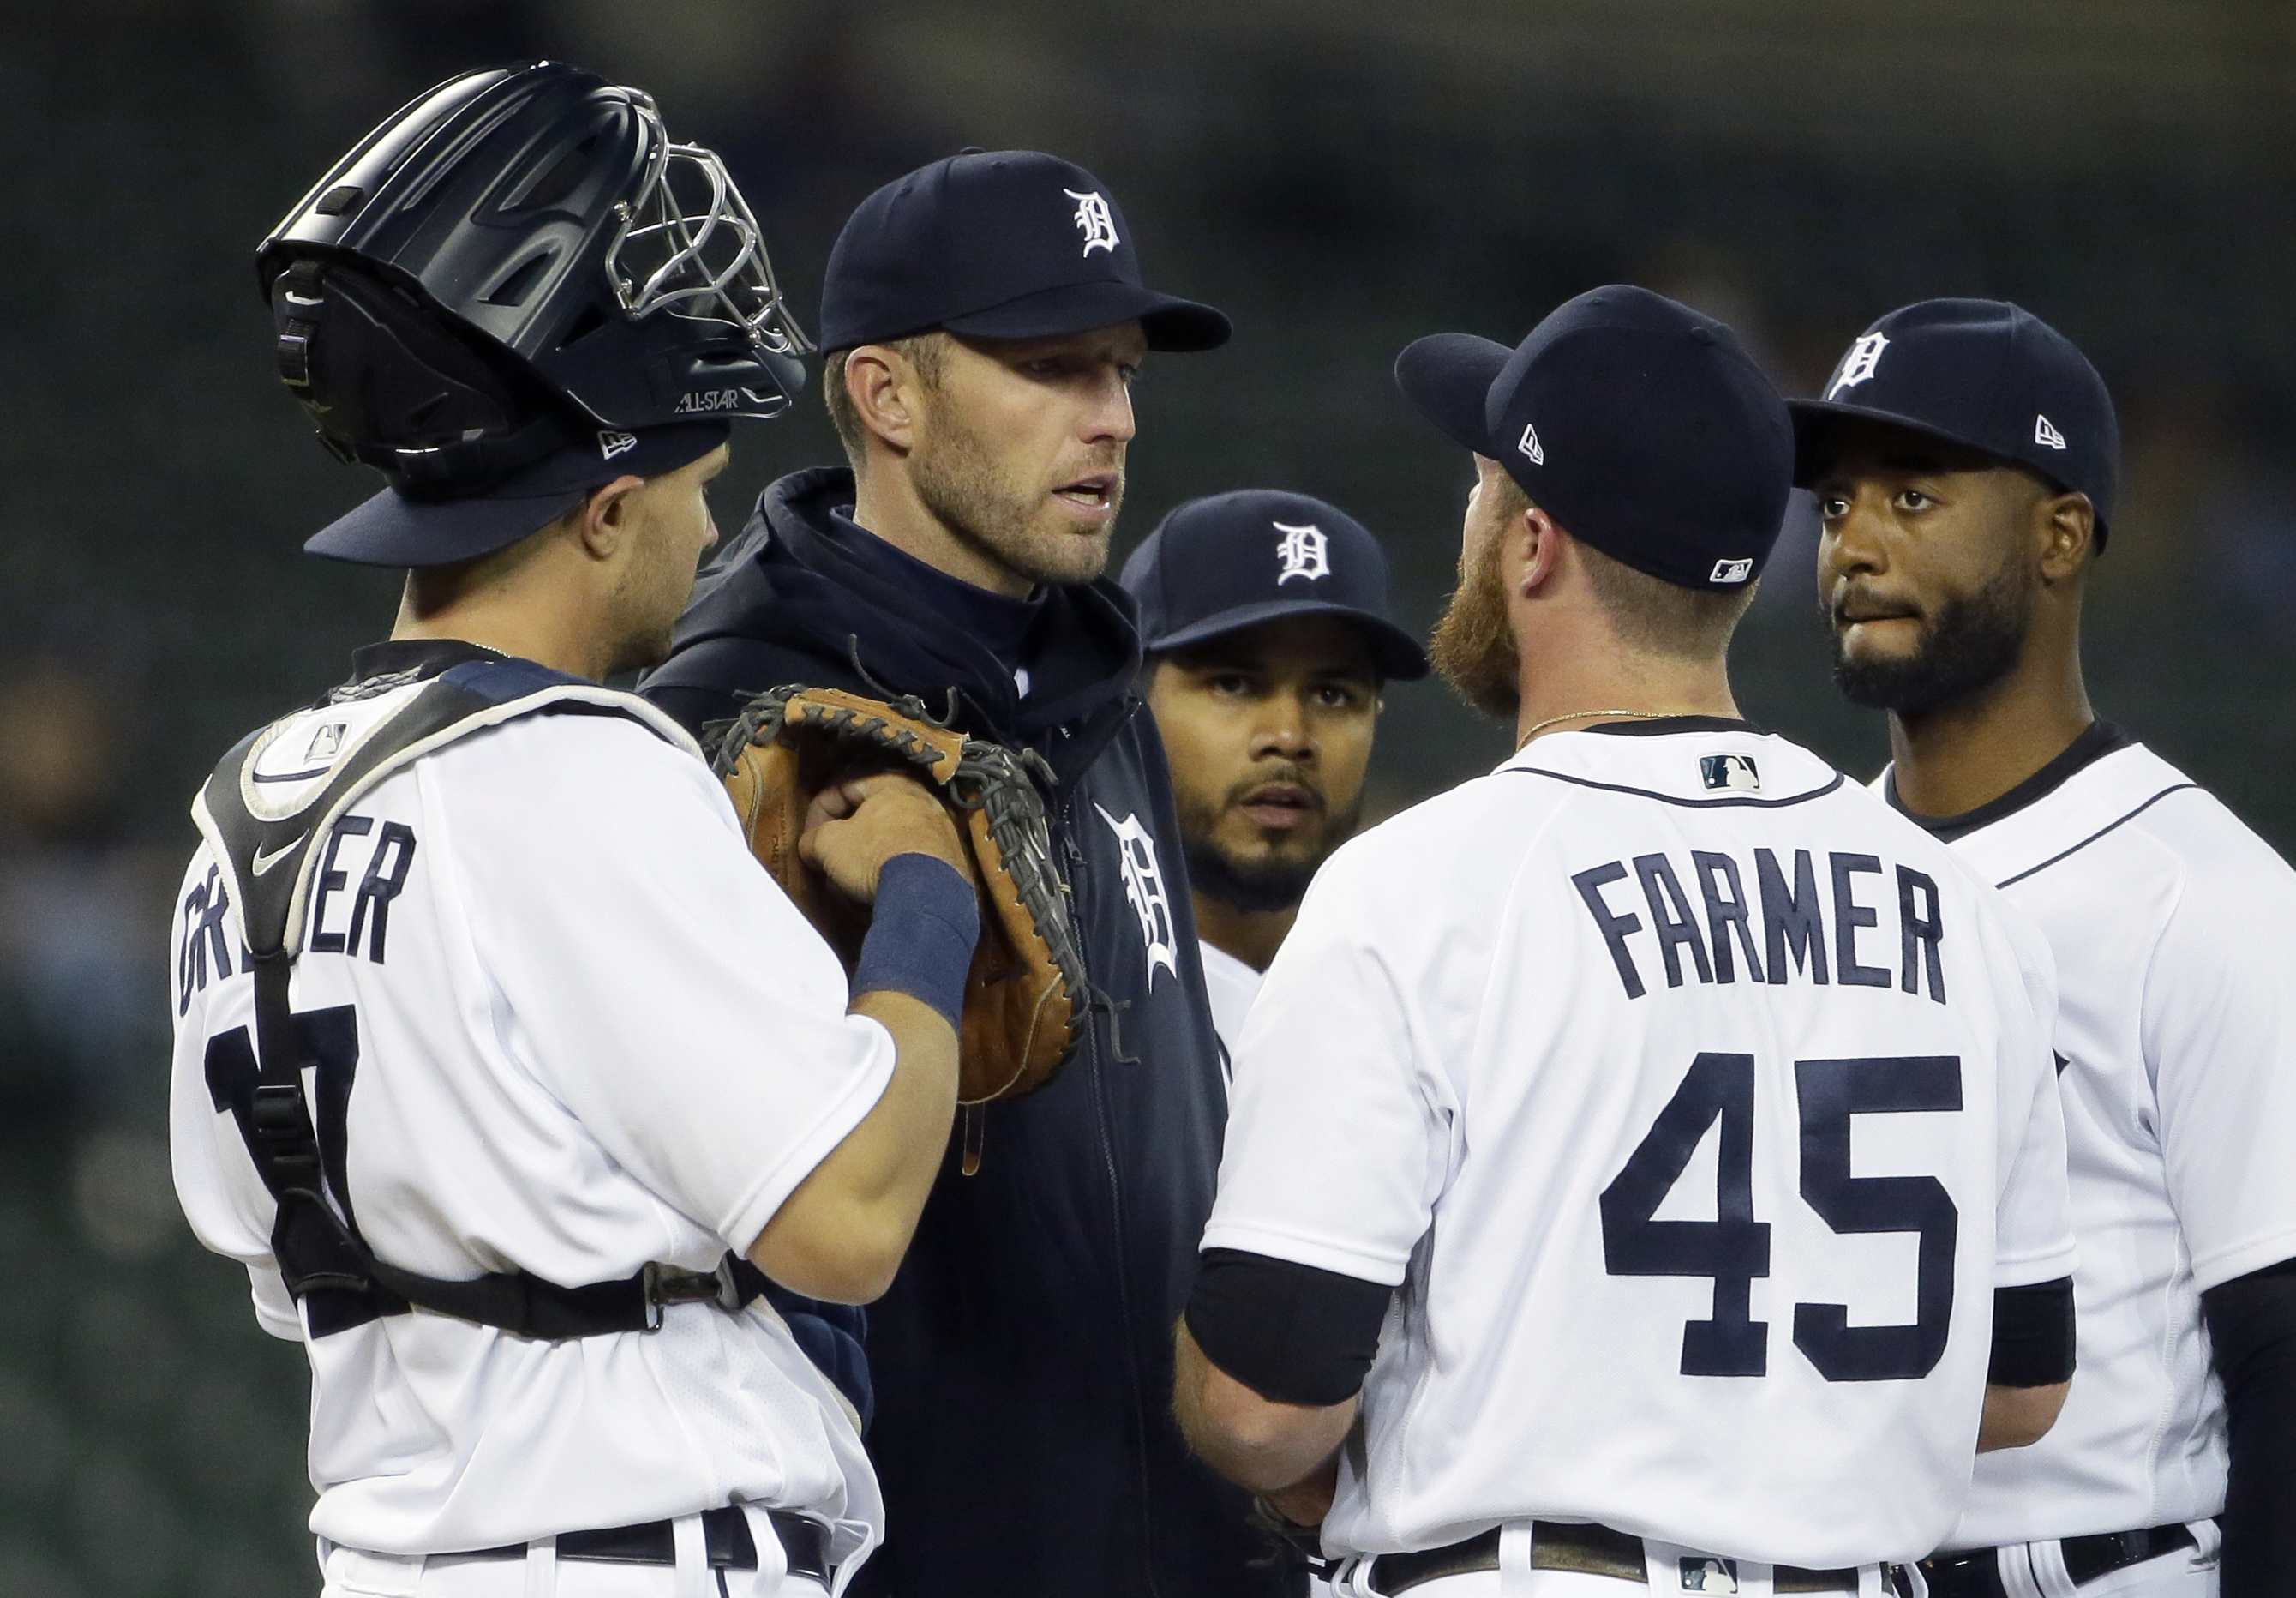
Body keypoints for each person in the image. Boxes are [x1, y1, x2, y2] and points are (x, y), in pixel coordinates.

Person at [169, 63, 975, 1596]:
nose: (702, 526)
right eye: (690, 486)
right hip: (627, 1554)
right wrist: (924, 895)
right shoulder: (573, 766)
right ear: (602, 510)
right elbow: (851, 1220)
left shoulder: (238, 808)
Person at [1171, 285, 2083, 1596]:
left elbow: (1263, 1416)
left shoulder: (1421, 890)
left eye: (1481, 485)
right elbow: (2016, 1389)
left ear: (1529, 543)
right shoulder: (1963, 915)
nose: (1466, 519)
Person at [640, 152, 1281, 1597]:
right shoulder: (740, 729)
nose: (1110, 418)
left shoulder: (1104, 685)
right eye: (1051, 366)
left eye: (1118, 371)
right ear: (884, 394)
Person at [1802, 298, 2296, 1598]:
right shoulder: (1803, 880)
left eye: (1910, 497)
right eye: (1834, 503)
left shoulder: (2204, 898)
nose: (1852, 542)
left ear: (2058, 533)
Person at [1120, 490, 1428, 1056]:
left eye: (1332, 694)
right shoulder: (1047, 1007)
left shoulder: (1436, 1009)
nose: (1289, 736)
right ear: (1127, 706)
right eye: (1233, 684)